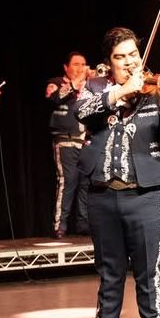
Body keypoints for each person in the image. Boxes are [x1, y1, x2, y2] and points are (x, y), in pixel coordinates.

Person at [68, 27, 160, 318]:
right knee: (110, 273)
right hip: (103, 196)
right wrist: (119, 93)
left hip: (147, 196)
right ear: (109, 63)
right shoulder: (94, 88)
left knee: (150, 274)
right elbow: (81, 112)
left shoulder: (157, 89)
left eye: (134, 54)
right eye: (121, 57)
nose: (130, 62)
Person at [45, 52, 90, 238]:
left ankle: (83, 224)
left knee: (86, 184)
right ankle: (60, 225)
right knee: (68, 181)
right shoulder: (56, 82)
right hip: (65, 140)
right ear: (66, 67)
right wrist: (75, 82)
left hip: (86, 141)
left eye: (83, 64)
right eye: (76, 64)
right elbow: (54, 97)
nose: (80, 68)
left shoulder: (90, 85)